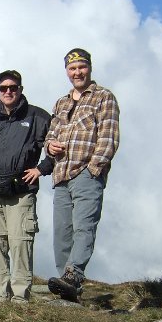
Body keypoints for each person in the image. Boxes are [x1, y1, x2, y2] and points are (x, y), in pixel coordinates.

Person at [45, 48, 120, 301]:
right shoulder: (61, 102)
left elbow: (109, 138)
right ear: (67, 71)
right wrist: (49, 146)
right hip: (61, 175)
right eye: (72, 68)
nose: (77, 72)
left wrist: (93, 169)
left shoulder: (104, 97)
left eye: (81, 67)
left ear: (89, 68)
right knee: (61, 233)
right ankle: (66, 286)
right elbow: (50, 134)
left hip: (86, 173)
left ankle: (74, 275)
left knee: (84, 227)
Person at [0, 70, 51, 303]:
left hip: (22, 190)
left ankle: (20, 298)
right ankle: (0, 297)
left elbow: (57, 146)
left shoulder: (37, 116)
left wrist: (42, 169)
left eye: (13, 87)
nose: (8, 91)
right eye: (3, 88)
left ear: (20, 89)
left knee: (20, 243)